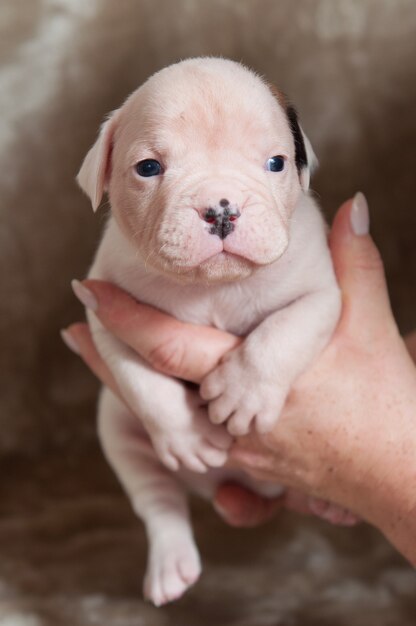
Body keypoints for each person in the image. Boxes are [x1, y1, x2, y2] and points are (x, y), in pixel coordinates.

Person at [62, 194, 416, 565]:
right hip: (187, 448)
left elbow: (319, 301)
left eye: (274, 163)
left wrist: (383, 469)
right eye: (151, 167)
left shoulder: (297, 228)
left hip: (271, 441)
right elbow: (111, 333)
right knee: (117, 418)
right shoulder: (122, 246)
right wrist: (164, 413)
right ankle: (165, 520)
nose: (220, 207)